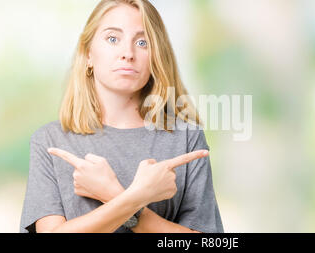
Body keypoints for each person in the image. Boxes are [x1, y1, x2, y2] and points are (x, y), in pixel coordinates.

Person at [19, 0, 224, 233]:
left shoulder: (187, 139)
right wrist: (137, 197)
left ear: (156, 57)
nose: (128, 54)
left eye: (142, 42)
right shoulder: (50, 141)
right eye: (113, 39)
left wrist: (112, 193)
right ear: (88, 54)